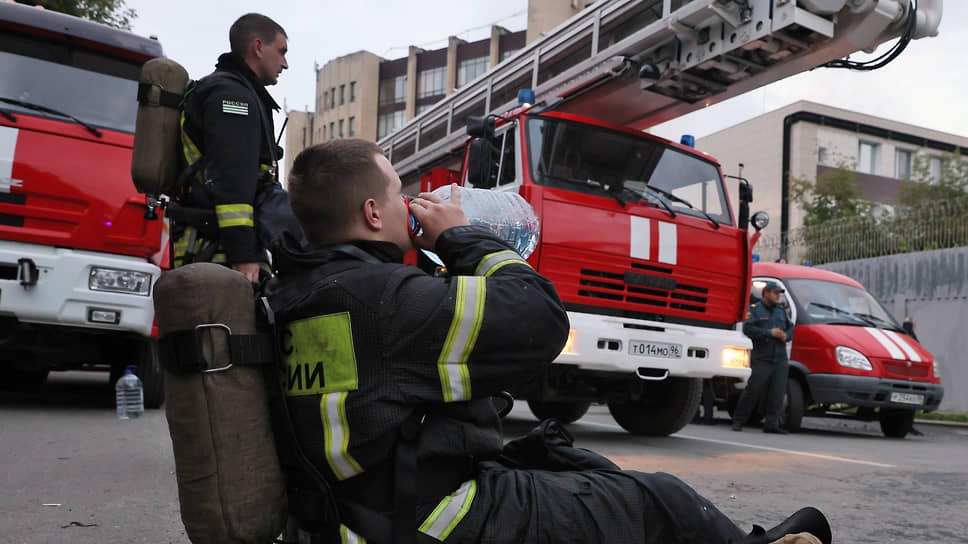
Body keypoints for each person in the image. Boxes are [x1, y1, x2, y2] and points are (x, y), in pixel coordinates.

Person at [264, 139, 830, 544]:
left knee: (566, 455)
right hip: (433, 517)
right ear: (371, 212)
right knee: (655, 499)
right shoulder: (384, 299)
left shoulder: (306, 293)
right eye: (396, 192)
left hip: (366, 505)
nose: (409, 202)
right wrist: (465, 236)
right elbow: (539, 317)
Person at [172, 13, 289, 282]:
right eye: (281, 52)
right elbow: (232, 178)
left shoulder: (237, 91)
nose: (285, 63)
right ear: (258, 47)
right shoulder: (232, 97)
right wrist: (244, 254)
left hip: (218, 249)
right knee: (225, 324)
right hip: (218, 254)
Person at [732, 281, 795, 434]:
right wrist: (768, 333)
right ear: (766, 293)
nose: (777, 296)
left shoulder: (781, 311)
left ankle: (771, 424)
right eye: (775, 293)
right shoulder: (755, 310)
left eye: (779, 294)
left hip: (780, 359)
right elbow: (747, 328)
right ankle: (738, 420)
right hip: (762, 358)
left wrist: (785, 336)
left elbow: (790, 327)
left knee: (777, 393)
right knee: (753, 391)